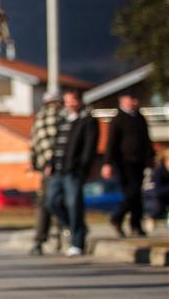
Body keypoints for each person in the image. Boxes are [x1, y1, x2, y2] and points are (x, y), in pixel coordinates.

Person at [46, 88, 99, 256]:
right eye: (67, 100)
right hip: (57, 170)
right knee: (52, 202)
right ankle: (75, 227)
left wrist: (83, 167)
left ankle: (77, 242)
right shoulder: (63, 120)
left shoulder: (87, 120)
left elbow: (89, 147)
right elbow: (56, 145)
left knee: (74, 204)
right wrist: (50, 163)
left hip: (73, 170)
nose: (69, 103)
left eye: (73, 100)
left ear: (80, 101)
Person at [102, 92, 154, 237]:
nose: (134, 102)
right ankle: (117, 217)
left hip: (139, 161)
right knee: (131, 192)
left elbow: (146, 141)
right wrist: (107, 163)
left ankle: (135, 224)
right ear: (123, 101)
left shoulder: (139, 118)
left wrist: (150, 159)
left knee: (137, 194)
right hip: (123, 163)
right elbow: (111, 143)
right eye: (132, 99)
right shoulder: (118, 119)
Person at [29, 90, 64, 254]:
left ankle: (40, 240)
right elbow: (49, 142)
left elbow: (34, 144)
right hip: (58, 166)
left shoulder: (39, 118)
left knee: (45, 203)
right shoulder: (58, 116)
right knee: (55, 202)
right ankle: (59, 236)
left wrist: (36, 164)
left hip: (46, 167)